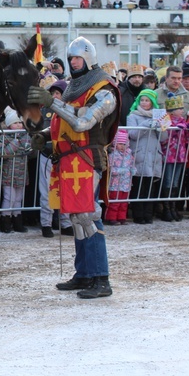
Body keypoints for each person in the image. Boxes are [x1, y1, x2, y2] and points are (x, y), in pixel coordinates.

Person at [27, 36, 121, 299]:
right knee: (77, 219)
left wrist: (51, 101)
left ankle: (101, 278)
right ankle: (84, 274)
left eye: (78, 57)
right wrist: (45, 135)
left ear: (89, 58)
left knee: (89, 217)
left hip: (88, 159)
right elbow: (64, 122)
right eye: (71, 58)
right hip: (69, 159)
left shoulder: (105, 88)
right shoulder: (72, 87)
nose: (74, 62)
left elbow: (83, 122)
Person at [36, 77, 73, 238]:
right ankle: (46, 223)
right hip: (48, 155)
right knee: (46, 192)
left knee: (66, 190)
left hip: (65, 155)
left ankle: (65, 223)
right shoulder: (44, 111)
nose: (55, 96)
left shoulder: (70, 112)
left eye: (58, 93)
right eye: (53, 93)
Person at [126, 89, 166, 225]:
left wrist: (161, 126)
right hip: (140, 154)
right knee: (138, 186)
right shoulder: (133, 115)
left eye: (147, 100)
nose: (144, 103)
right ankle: (138, 215)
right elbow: (132, 134)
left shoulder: (157, 116)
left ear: (152, 102)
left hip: (153, 155)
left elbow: (163, 138)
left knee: (150, 187)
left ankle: (148, 214)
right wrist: (146, 125)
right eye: (142, 100)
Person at [159, 96, 189, 222]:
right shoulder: (166, 120)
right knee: (168, 181)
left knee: (175, 182)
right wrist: (174, 129)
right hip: (169, 154)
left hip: (180, 154)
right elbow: (163, 138)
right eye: (179, 108)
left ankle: (173, 208)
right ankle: (166, 209)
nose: (182, 110)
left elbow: (187, 139)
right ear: (172, 110)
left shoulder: (183, 121)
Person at [0, 110, 31, 234]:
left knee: (18, 198)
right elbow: (2, 153)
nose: (18, 125)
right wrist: (15, 144)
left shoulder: (25, 136)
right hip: (8, 173)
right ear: (9, 124)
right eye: (15, 123)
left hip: (21, 173)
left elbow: (29, 150)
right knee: (8, 198)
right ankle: (5, 220)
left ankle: (18, 221)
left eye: (19, 122)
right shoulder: (5, 136)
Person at [104, 130, 135, 226]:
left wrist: (133, 170)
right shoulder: (113, 155)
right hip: (115, 184)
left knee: (124, 202)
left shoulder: (129, 155)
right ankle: (111, 218)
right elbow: (111, 170)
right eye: (120, 144)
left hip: (126, 183)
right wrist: (120, 171)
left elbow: (131, 165)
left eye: (124, 144)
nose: (122, 146)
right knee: (114, 202)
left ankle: (122, 217)